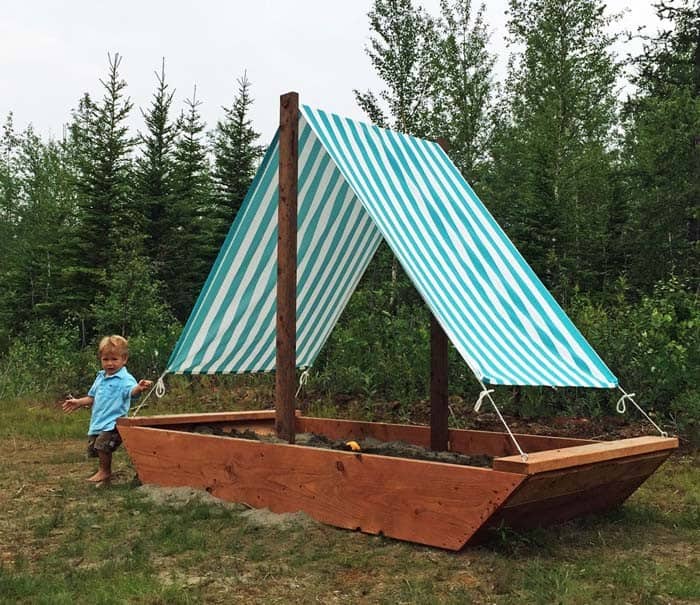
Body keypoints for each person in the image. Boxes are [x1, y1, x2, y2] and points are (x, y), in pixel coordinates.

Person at [62, 335, 152, 483]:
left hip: (114, 423)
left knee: (102, 446)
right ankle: (106, 472)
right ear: (101, 359)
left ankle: (105, 472)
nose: (110, 363)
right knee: (95, 447)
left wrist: (139, 388)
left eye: (114, 359)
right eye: (106, 359)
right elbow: (92, 397)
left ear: (124, 359)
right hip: (99, 421)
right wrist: (78, 402)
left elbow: (131, 392)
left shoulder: (125, 379)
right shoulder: (101, 377)